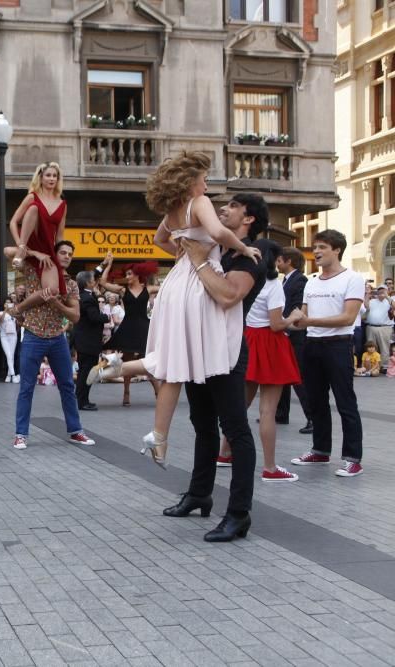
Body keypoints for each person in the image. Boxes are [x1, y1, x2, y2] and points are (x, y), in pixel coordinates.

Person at [88, 152, 260, 468]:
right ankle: (151, 419)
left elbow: (159, 239)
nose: (207, 183)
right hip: (199, 281)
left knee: (175, 359)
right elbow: (219, 233)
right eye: (204, 178)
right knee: (190, 354)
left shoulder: (173, 211)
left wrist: (179, 250)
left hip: (175, 283)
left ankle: (127, 379)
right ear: (191, 180)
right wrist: (242, 247)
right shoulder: (199, 203)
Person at [162, 193, 268, 542]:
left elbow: (227, 296)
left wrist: (200, 263)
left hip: (227, 350)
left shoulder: (253, 256)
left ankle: (239, 514)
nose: (224, 209)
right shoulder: (218, 246)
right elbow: (169, 242)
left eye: (233, 206)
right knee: (201, 424)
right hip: (201, 344)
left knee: (235, 430)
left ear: (249, 218)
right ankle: (199, 493)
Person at [215, 240, 304, 482]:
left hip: (246, 339)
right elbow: (276, 324)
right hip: (270, 343)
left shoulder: (243, 278)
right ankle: (270, 467)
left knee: (239, 405)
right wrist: (294, 316)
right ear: (274, 260)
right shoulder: (273, 283)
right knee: (267, 411)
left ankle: (224, 453)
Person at [289, 230, 366, 478]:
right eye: (315, 247)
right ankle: (320, 451)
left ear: (337, 250)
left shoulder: (353, 278)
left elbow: (348, 317)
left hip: (339, 345)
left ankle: (353, 459)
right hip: (312, 345)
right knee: (316, 401)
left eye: (322, 246)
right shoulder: (311, 281)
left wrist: (309, 320)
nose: (317, 251)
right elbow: (302, 314)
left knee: (345, 402)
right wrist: (282, 321)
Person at [8, 240, 95, 450]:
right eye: (63, 252)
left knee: (67, 385)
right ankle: (21, 434)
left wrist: (57, 302)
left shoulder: (72, 285)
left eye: (70, 254)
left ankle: (76, 431)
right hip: (32, 336)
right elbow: (8, 251)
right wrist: (37, 253)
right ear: (54, 255)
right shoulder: (34, 273)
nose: (67, 256)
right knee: (26, 387)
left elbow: (75, 316)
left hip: (57, 338)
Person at [96, 255, 162, 406]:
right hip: (128, 327)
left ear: (138, 275)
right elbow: (103, 282)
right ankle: (126, 393)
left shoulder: (149, 288)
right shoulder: (122, 290)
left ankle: (158, 392)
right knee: (128, 361)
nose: (127, 276)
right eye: (126, 274)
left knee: (148, 361)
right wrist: (109, 265)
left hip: (144, 327)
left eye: (129, 274)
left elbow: (168, 287)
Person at [6, 162, 69, 310]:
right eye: (48, 175)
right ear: (40, 178)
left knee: (52, 290)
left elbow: (59, 236)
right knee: (34, 208)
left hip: (47, 251)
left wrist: (60, 260)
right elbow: (13, 222)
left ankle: (18, 309)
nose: (52, 178)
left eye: (55, 176)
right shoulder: (32, 197)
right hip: (29, 242)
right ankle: (23, 252)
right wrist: (21, 245)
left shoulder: (62, 204)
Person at [273, 246, 314, 433]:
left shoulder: (300, 280)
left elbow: (297, 308)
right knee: (281, 375)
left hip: (295, 335)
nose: (277, 264)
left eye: (279, 260)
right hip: (286, 333)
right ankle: (281, 413)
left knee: (299, 377)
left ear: (288, 261)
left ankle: (312, 418)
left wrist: (287, 327)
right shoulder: (287, 281)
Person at [72, 270, 110, 411]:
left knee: (84, 372)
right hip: (88, 342)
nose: (95, 280)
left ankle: (82, 399)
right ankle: (82, 402)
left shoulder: (83, 295)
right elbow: (94, 317)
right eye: (93, 279)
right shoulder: (87, 298)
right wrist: (106, 317)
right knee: (86, 372)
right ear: (88, 282)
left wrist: (103, 266)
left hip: (84, 341)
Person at [363, 286, 393, 370]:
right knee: (370, 347)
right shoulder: (372, 301)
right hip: (371, 327)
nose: (381, 293)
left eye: (383, 291)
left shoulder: (390, 300)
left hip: (385, 328)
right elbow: (366, 306)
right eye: (379, 291)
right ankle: (372, 366)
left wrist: (387, 296)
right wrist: (368, 294)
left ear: (387, 291)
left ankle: (384, 366)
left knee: (385, 348)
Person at [0, 298, 19, 383]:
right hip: (4, 336)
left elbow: (18, 323)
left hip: (13, 336)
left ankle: (8, 375)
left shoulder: (14, 313)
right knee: (8, 355)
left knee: (11, 355)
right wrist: (6, 310)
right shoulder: (0, 313)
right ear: (3, 305)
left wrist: (14, 313)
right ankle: (13, 375)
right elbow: (1, 320)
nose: (8, 304)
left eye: (9, 303)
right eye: (6, 303)